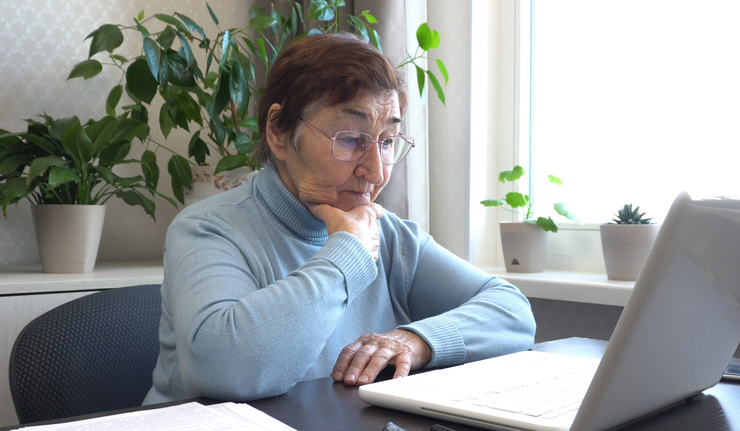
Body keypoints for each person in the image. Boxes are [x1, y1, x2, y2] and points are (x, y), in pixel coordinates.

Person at [144, 33, 536, 405]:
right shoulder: (207, 229)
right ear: (279, 131)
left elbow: (512, 312)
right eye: (350, 140)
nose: (377, 172)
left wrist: (418, 341)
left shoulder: (390, 236)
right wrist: (347, 253)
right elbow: (224, 369)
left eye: (385, 143)